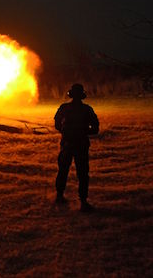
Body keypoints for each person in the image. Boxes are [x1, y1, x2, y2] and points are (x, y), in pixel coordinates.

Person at [54, 83, 99, 212]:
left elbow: (57, 122)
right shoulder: (87, 109)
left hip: (67, 144)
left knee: (63, 170)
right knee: (83, 173)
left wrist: (64, 131)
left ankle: (59, 196)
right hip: (81, 144)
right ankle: (83, 202)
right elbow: (95, 128)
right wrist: (84, 132)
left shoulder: (64, 108)